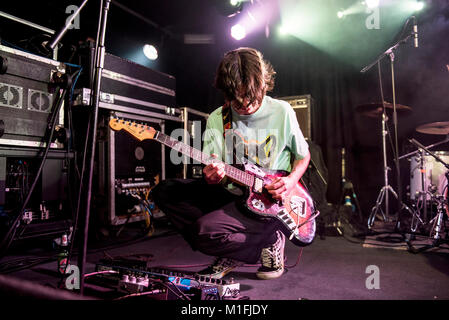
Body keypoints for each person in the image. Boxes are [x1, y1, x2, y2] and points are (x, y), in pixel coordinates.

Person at [152, 47, 310, 280]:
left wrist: (289, 181)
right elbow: (213, 165)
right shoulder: (219, 117)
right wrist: (211, 175)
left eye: (250, 96)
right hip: (234, 192)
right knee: (165, 192)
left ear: (263, 84)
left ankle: (270, 237)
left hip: (268, 202)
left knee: (203, 232)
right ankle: (238, 246)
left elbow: (303, 156)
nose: (245, 104)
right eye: (237, 98)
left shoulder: (282, 111)